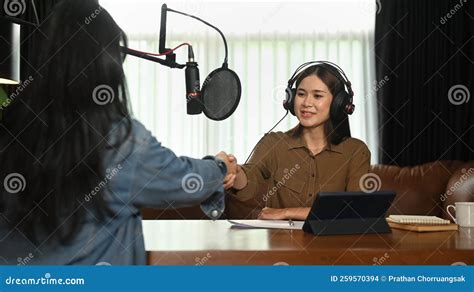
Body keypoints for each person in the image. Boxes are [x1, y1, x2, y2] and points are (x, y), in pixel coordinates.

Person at [0, 0, 235, 265]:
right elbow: (184, 180)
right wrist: (219, 167)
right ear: (107, 67)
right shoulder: (120, 143)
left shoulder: (10, 130)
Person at [227, 62, 370, 220]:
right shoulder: (273, 143)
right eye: (301, 94)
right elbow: (249, 182)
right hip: (282, 243)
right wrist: (234, 172)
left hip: (333, 243)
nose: (306, 103)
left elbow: (356, 210)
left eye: (317, 96)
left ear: (339, 103)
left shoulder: (356, 151)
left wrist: (286, 212)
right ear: (291, 99)